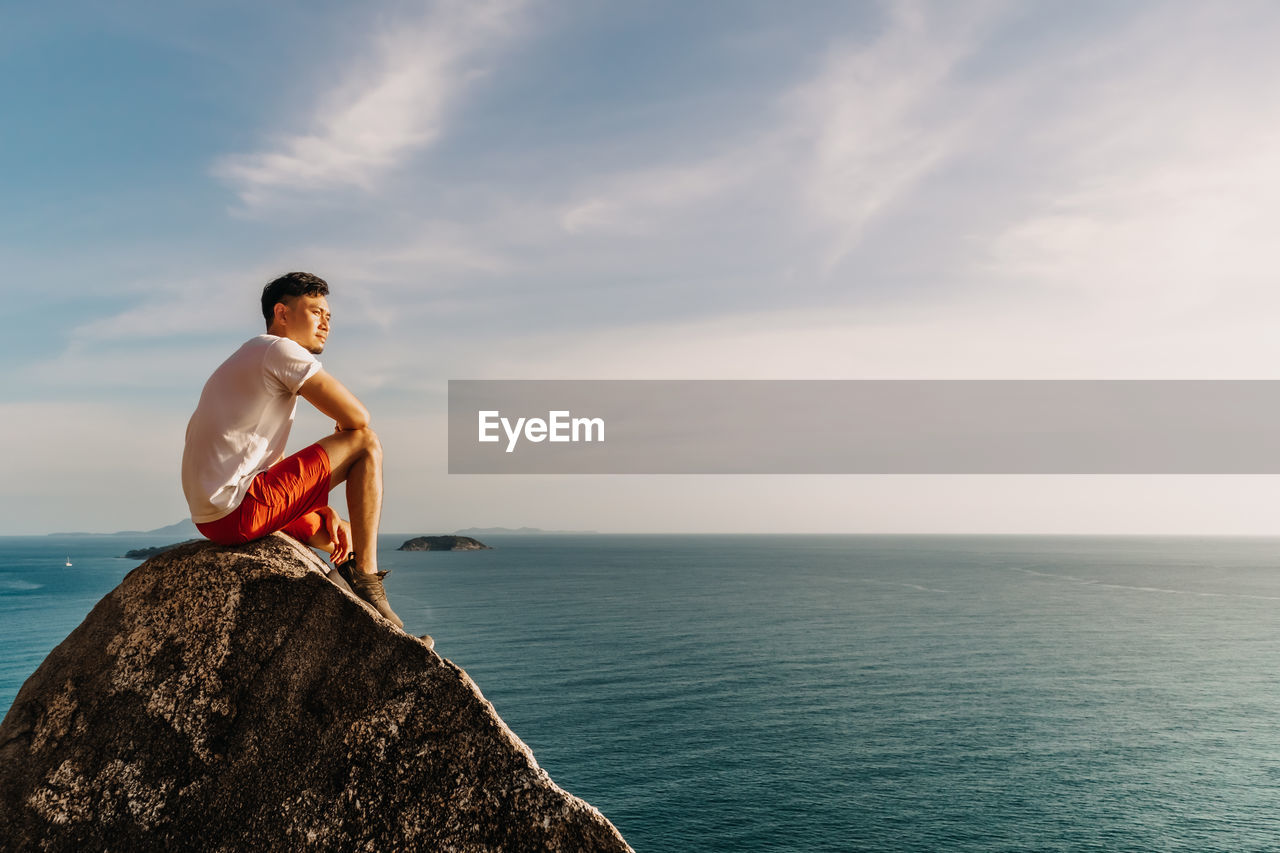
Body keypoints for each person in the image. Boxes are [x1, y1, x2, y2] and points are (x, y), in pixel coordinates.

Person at [181, 272, 404, 629]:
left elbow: (260, 459)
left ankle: (350, 588)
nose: (325, 323)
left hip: (214, 514)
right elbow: (359, 417)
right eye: (316, 311)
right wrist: (347, 432)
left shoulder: (249, 356)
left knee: (340, 531)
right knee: (365, 441)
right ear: (282, 314)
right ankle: (367, 583)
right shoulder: (278, 349)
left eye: (328, 316)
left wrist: (318, 507)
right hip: (237, 509)